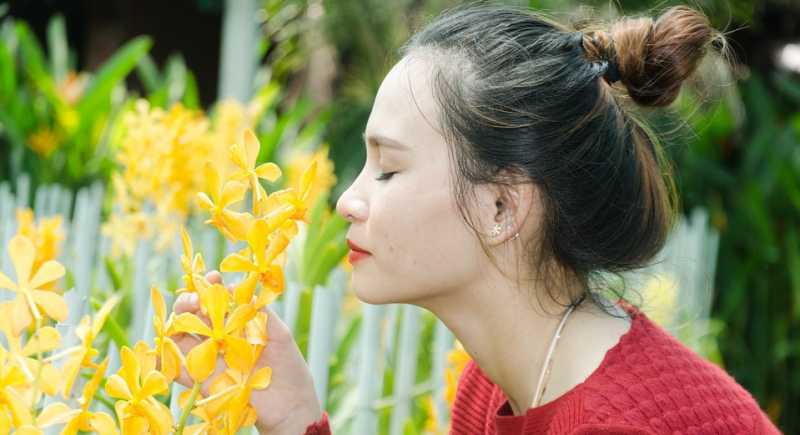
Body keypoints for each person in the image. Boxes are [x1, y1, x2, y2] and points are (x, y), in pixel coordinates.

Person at [173, 5, 784, 435]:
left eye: (387, 169)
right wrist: (294, 417)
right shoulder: (495, 387)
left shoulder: (613, 424)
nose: (347, 201)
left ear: (501, 207)